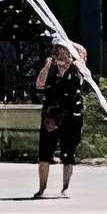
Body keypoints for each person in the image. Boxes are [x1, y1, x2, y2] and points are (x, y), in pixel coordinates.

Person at [30, 39, 88, 199]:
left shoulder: (78, 66)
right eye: (58, 53)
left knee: (69, 153)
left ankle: (65, 188)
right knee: (44, 153)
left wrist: (64, 40)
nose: (61, 56)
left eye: (64, 52)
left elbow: (81, 50)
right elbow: (39, 85)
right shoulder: (51, 67)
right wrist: (47, 66)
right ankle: (41, 189)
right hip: (51, 116)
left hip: (72, 115)